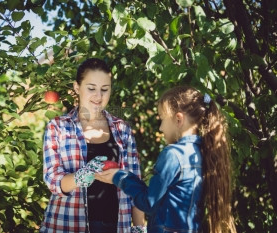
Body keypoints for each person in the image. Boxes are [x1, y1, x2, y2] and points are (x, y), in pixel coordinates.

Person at [96, 86, 237, 233]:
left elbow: (149, 202)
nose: (161, 128)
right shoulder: (204, 154)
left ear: (178, 119)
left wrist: (119, 176)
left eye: (162, 119)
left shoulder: (173, 155)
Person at [39, 58, 146, 233]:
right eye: (91, 88)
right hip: (67, 224)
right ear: (76, 87)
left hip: (116, 226)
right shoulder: (58, 127)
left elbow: (135, 184)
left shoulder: (122, 130)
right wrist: (79, 177)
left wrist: (140, 227)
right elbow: (52, 179)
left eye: (105, 89)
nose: (98, 96)